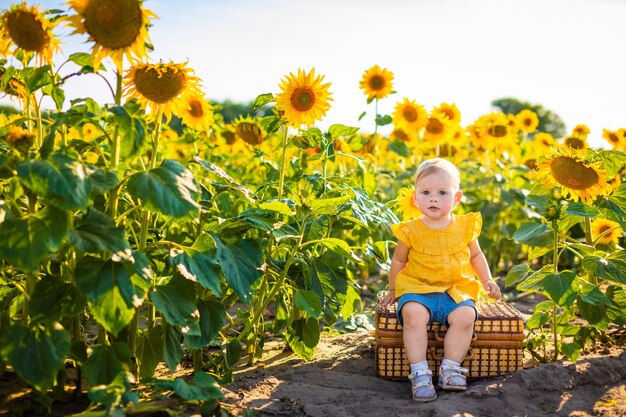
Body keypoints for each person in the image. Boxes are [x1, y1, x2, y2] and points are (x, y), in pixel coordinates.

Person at [381, 158, 501, 402]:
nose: (433, 198)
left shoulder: (465, 226)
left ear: (456, 198)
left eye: (442, 192)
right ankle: (420, 373)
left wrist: (487, 279)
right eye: (426, 192)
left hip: (455, 290)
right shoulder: (410, 230)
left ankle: (450, 367)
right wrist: (393, 289)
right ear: (415, 198)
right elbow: (398, 262)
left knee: (466, 317)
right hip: (418, 288)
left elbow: (476, 255)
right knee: (413, 315)